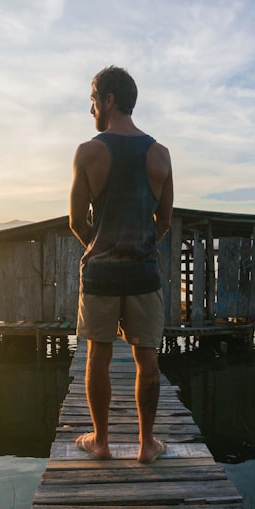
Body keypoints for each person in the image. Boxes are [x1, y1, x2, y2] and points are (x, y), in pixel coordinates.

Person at [69, 65, 174, 464]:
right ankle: (147, 445)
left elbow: (76, 220)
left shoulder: (89, 152)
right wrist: (144, 245)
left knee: (99, 354)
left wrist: (97, 244)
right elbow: (163, 220)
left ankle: (101, 441)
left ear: (109, 100)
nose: (91, 108)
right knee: (147, 357)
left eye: (93, 100)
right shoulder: (160, 154)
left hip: (101, 272)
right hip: (143, 272)